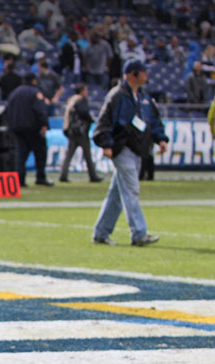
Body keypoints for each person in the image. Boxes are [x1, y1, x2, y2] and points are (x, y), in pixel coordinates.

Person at [91, 59, 168, 246]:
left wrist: (161, 138)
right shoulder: (117, 96)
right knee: (132, 189)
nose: (146, 75)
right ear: (133, 74)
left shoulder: (144, 97)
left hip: (138, 148)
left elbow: (152, 120)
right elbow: (105, 122)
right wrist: (106, 144)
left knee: (117, 194)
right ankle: (139, 233)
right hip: (122, 146)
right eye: (143, 72)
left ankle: (101, 233)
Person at [5, 73, 53, 187]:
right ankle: (40, 177)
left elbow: (7, 109)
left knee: (21, 155)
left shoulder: (14, 92)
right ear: (34, 81)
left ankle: (19, 180)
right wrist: (44, 125)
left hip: (17, 128)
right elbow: (40, 111)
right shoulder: (35, 93)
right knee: (40, 153)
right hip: (33, 128)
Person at [59, 83, 101, 182]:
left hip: (71, 131)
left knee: (68, 156)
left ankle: (63, 175)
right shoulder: (81, 100)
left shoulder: (71, 100)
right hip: (80, 132)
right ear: (82, 91)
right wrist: (90, 120)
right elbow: (84, 112)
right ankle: (93, 176)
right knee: (87, 155)